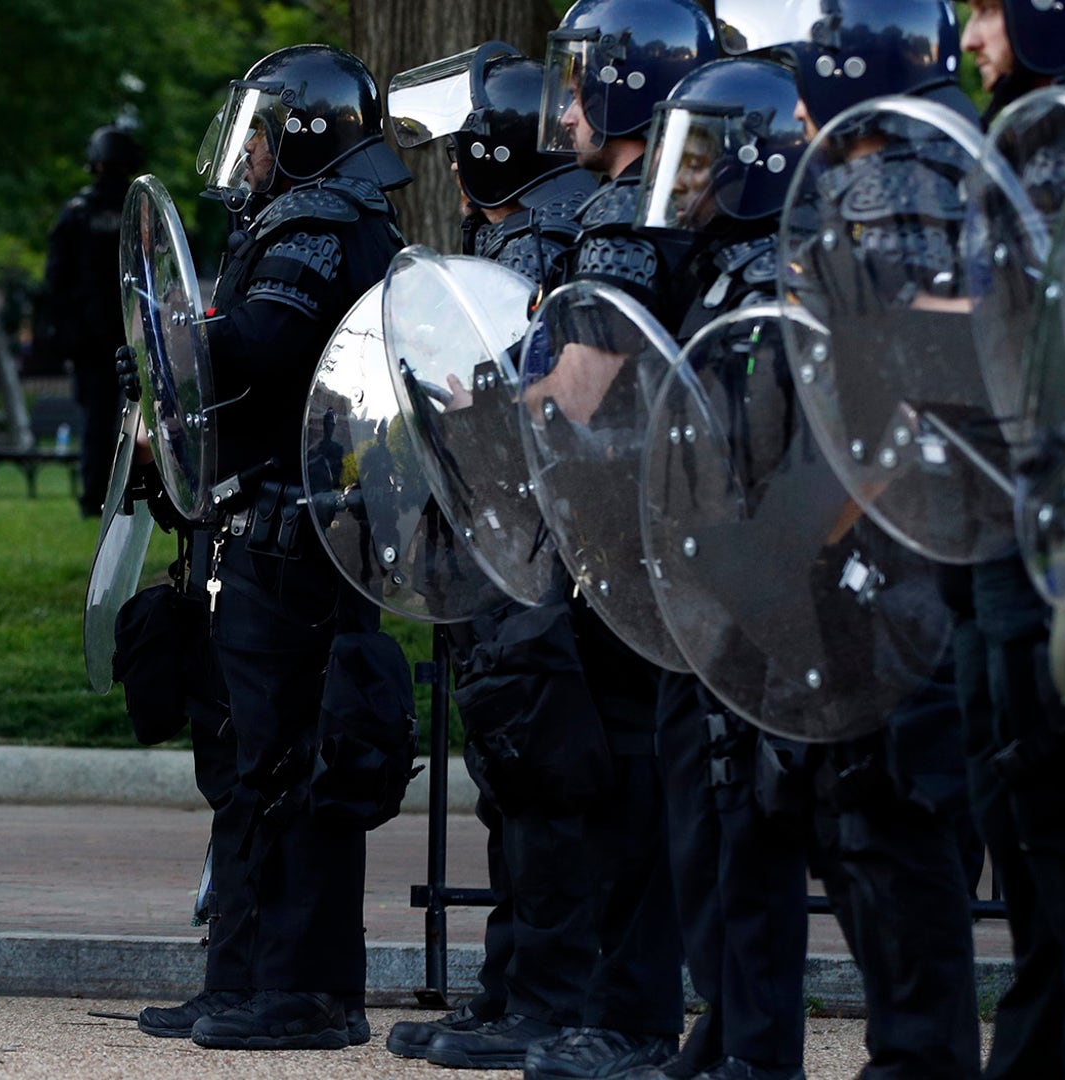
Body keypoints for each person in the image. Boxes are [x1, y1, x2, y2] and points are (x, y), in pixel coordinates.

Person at [718, 3, 987, 1077]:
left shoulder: (892, 177)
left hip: (897, 543)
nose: (790, 110)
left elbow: (896, 385)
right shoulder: (929, 157)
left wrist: (793, 542)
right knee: (872, 818)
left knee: (891, 817)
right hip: (913, 539)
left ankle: (918, 1059)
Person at [125, 42, 410, 1052]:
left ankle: (305, 995)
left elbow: (261, 346)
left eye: (258, 135)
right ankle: (242, 979)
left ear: (301, 136)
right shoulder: (318, 219)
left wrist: (173, 337)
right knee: (256, 765)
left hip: (301, 540)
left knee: (296, 765)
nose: (244, 158)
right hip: (277, 531)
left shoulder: (320, 227)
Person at [380, 41, 605, 1072]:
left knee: (538, 781)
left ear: (491, 155)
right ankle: (509, 989)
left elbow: (494, 396)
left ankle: (543, 998)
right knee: (512, 778)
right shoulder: (532, 233)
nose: (453, 173)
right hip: (516, 548)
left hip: (532, 554)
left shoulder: (534, 249)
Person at [514, 3, 719, 1077]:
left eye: (586, 78)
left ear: (639, 84)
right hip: (666, 531)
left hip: (628, 537)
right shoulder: (689, 196)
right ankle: (620, 1007)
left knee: (633, 787)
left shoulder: (628, 210)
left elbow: (576, 393)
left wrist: (498, 390)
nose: (568, 102)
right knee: (648, 782)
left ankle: (629, 1016)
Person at [617, 57, 814, 1080]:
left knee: (749, 837)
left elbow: (786, 455)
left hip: (753, 605)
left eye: (696, 158)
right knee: (705, 833)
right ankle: (727, 1024)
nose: (676, 178)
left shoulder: (777, 280)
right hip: (695, 603)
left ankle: (760, 1049)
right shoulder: (709, 273)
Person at [949, 4, 1065, 1075]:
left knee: (1062, 828)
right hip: (1021, 520)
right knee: (1032, 831)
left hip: (1064, 533)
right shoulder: (1036, 132)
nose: (969, 35)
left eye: (992, 7)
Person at [40, 125, 143, 517]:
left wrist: (62, 334)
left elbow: (55, 282)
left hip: (89, 338)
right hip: (135, 334)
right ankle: (132, 495)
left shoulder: (77, 213)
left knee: (95, 422)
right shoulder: (141, 206)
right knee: (139, 420)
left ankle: (93, 498)